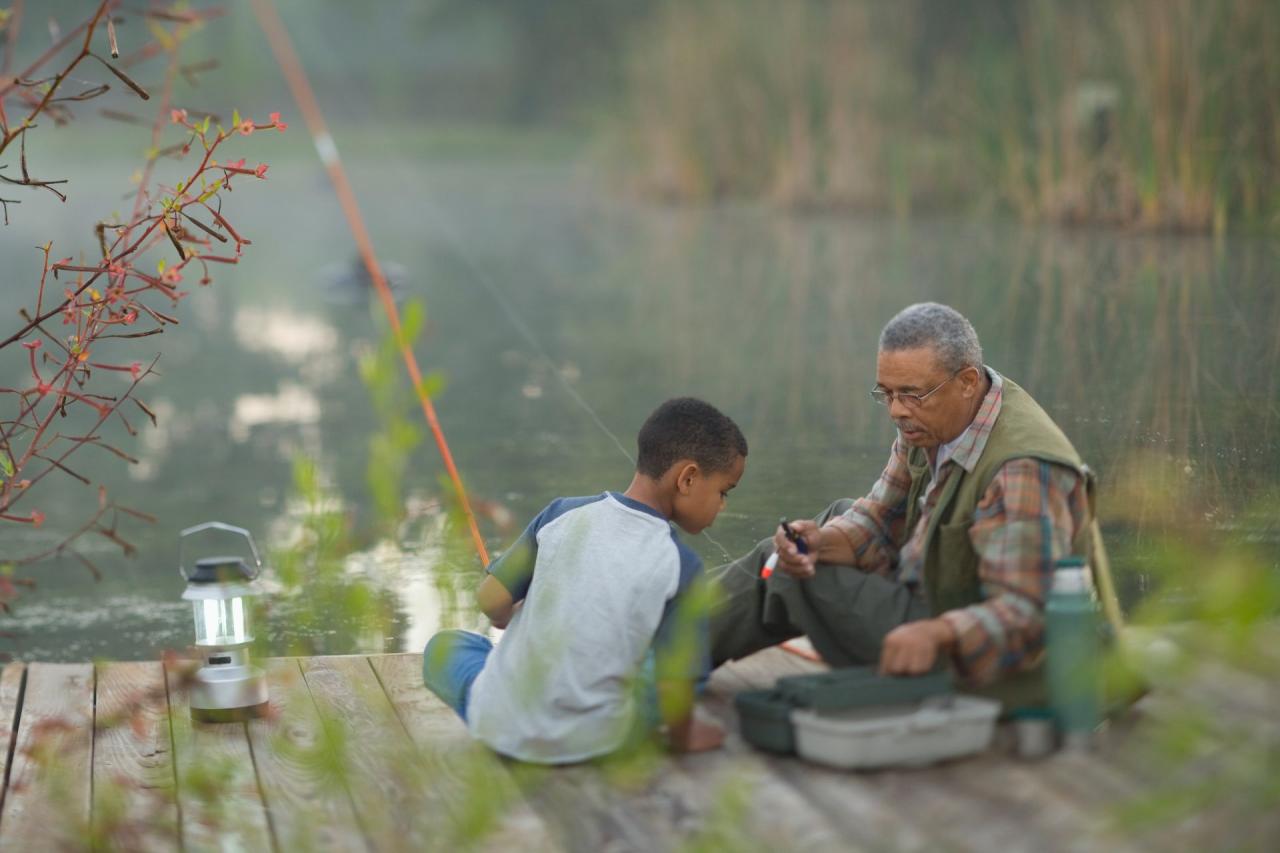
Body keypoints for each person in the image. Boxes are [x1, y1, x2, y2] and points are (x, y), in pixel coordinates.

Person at [710, 302, 1117, 704]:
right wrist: (821, 542)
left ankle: (666, 648)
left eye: (910, 395)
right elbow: (882, 515)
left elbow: (1028, 616)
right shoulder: (934, 416)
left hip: (992, 668)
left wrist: (937, 634)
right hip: (938, 595)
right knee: (825, 526)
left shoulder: (1021, 470)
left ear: (968, 381)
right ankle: (671, 621)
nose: (896, 411)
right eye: (885, 393)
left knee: (782, 569)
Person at [424, 397, 747, 763]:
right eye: (723, 491)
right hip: (595, 742)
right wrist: (685, 737)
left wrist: (504, 615)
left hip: (499, 725)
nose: (722, 505)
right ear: (687, 478)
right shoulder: (682, 566)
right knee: (666, 666)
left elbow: (490, 601)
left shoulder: (561, 513)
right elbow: (675, 687)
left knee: (445, 648)